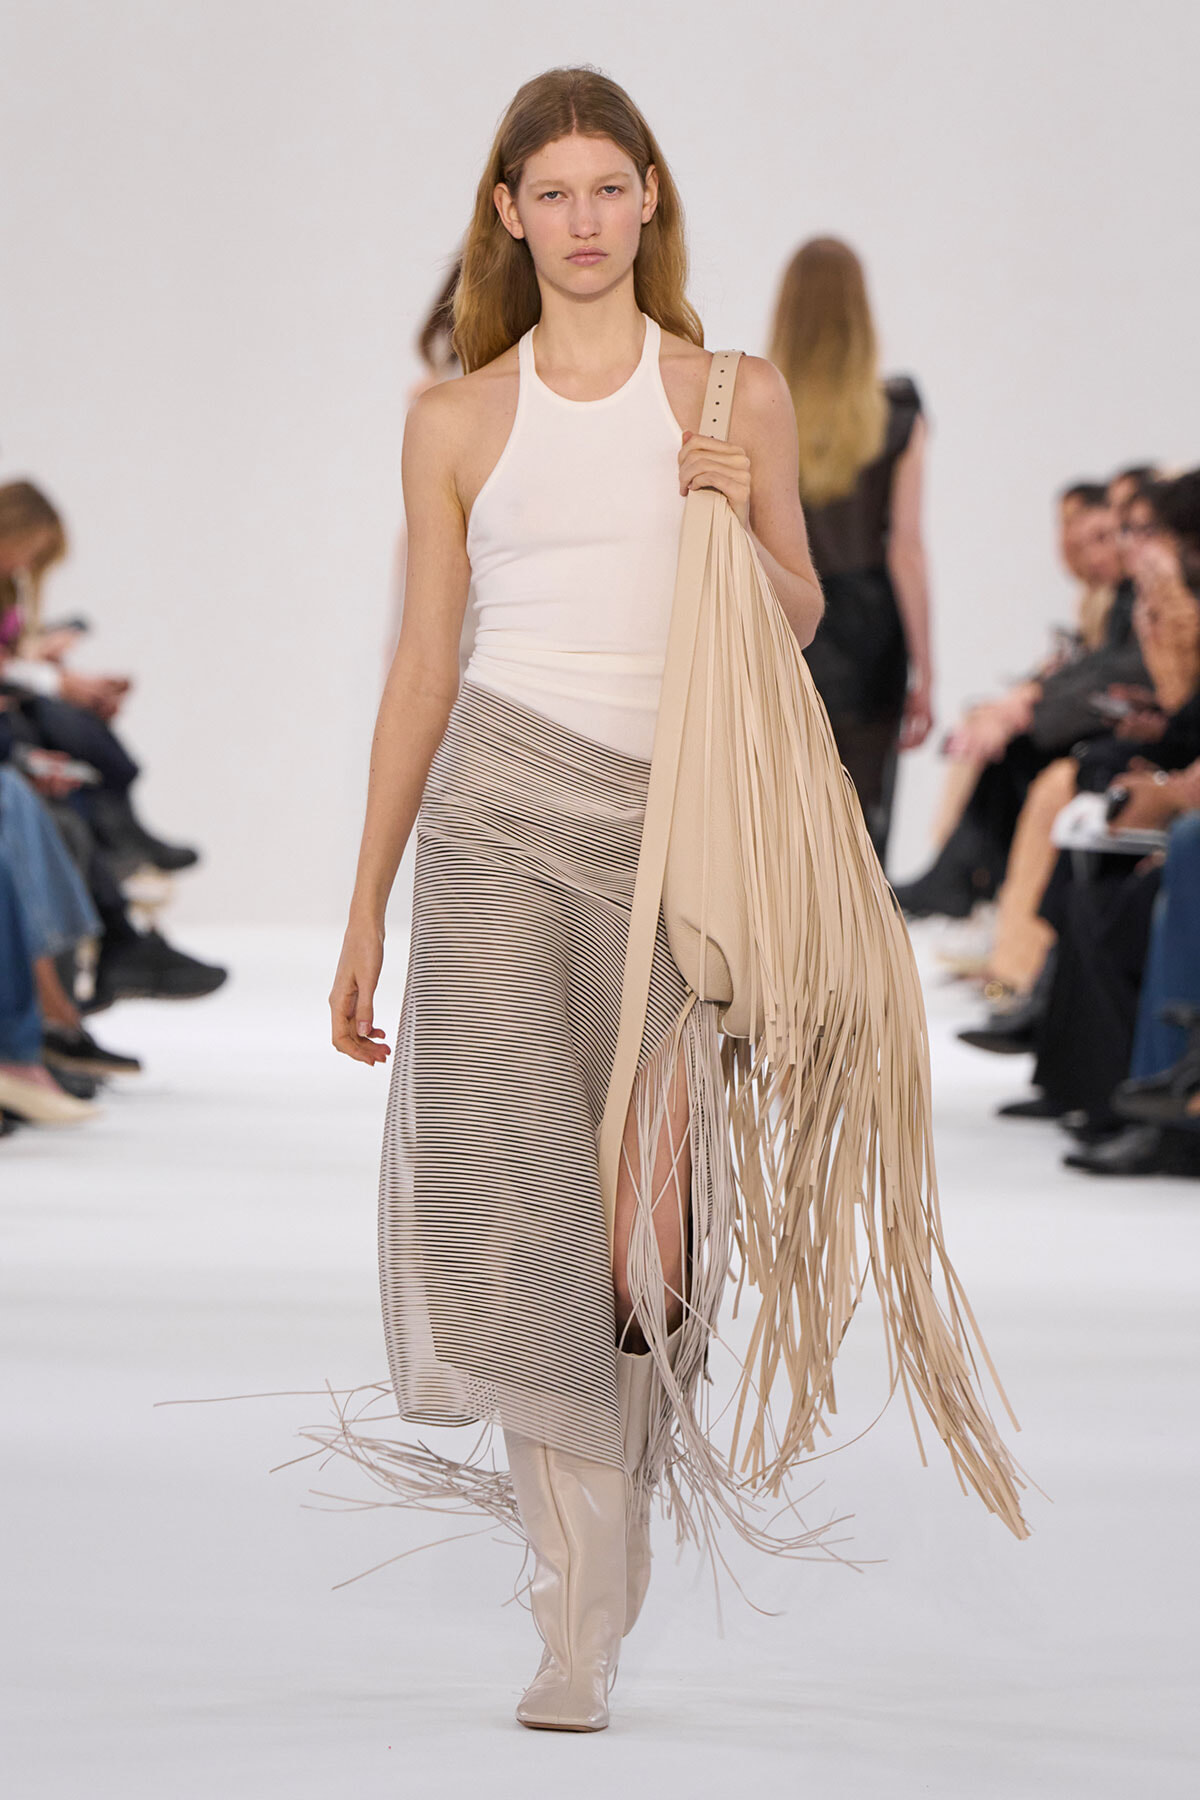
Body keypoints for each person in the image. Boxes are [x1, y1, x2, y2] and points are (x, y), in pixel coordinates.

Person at [323, 66, 1023, 1733]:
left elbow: (794, 614)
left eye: (605, 190)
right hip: (495, 823)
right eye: (547, 193)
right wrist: (363, 909)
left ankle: (603, 1551)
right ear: (507, 212)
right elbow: (424, 664)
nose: (578, 221)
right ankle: (575, 1621)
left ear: (650, 201)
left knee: (650, 1247)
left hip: (677, 844)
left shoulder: (733, 394)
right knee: (526, 1227)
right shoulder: (454, 418)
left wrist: (742, 530)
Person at [767, 237, 933, 864]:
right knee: (864, 820)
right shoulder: (897, 413)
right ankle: (865, 962)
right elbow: (907, 549)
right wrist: (926, 673)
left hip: (786, 617)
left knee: (786, 817)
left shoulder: (762, 407)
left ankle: (786, 962)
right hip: (872, 631)